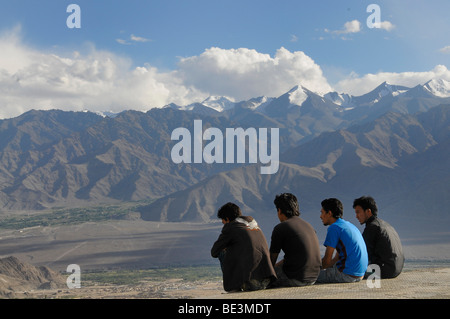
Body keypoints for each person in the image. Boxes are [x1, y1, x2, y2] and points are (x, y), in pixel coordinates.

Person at [211, 202, 276, 292]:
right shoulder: (252, 222)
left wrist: (227, 247)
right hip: (267, 278)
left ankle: (233, 287)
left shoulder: (230, 226)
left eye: (224, 222)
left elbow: (214, 252)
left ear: (227, 219)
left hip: (250, 281)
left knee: (222, 252)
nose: (224, 224)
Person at [269, 193, 321, 287]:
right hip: (314, 277)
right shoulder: (308, 226)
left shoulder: (280, 228)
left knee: (262, 278)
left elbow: (271, 261)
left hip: (295, 279)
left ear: (279, 211)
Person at [317, 198, 368, 283]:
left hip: (347, 275)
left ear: (329, 213)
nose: (320, 216)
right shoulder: (348, 225)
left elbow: (327, 261)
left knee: (308, 276)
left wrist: (313, 269)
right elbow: (337, 257)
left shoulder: (334, 228)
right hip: (360, 274)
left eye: (322, 213)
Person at [353, 196, 404, 279]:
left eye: (358, 212)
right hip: (396, 270)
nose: (356, 216)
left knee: (349, 272)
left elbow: (363, 254)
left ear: (368, 211)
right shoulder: (386, 225)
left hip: (383, 272)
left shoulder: (372, 227)